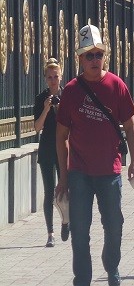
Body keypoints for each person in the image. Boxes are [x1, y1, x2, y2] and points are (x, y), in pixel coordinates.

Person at [55, 24, 134, 286]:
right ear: (80, 59)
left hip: (110, 171)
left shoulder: (117, 86)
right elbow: (61, 137)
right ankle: (82, 279)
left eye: (98, 54)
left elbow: (130, 125)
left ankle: (111, 266)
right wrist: (64, 177)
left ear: (105, 56)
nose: (94, 60)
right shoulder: (71, 90)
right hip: (80, 172)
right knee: (80, 232)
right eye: (88, 55)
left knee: (114, 226)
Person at [34, 58, 69, 247]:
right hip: (47, 149)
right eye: (50, 77)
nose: (53, 80)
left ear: (61, 77)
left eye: (56, 76)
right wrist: (47, 108)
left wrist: (60, 106)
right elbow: (37, 128)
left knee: (65, 188)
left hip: (63, 149)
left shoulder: (67, 97)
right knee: (49, 192)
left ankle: (66, 221)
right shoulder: (41, 99)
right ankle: (50, 233)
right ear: (45, 79)